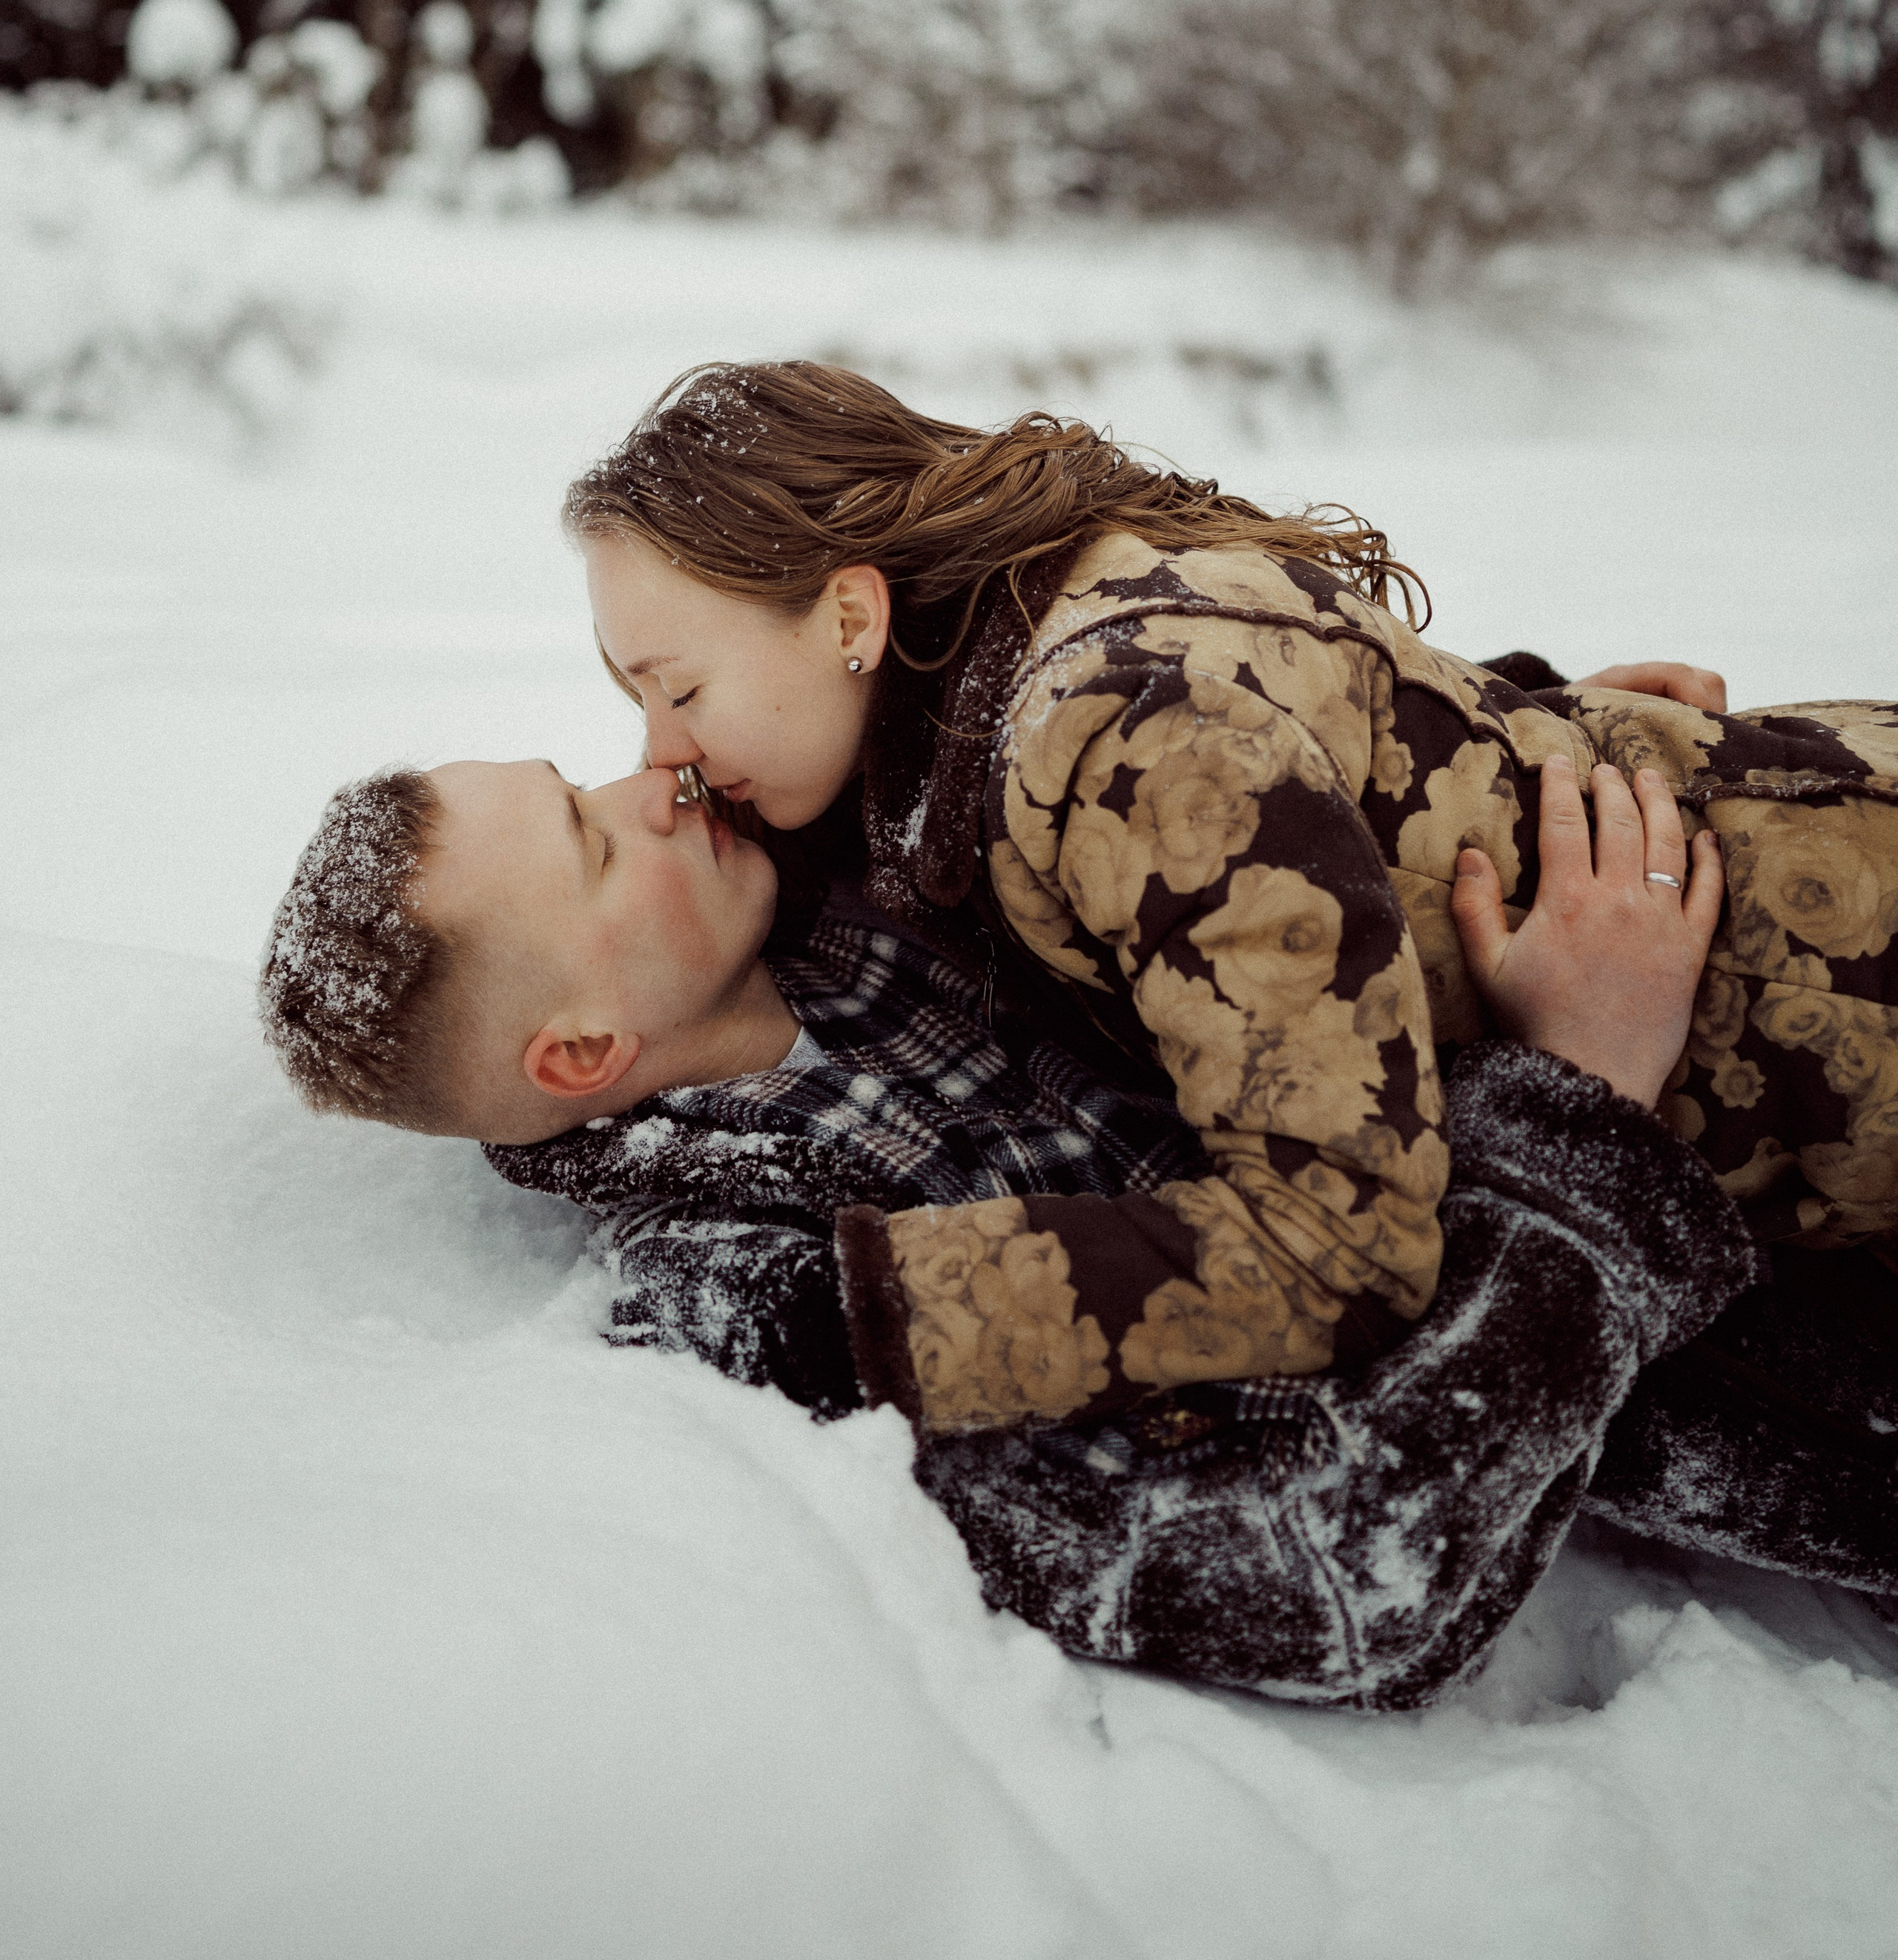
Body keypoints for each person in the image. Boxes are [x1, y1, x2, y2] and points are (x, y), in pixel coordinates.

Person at [257, 752, 1896, 1706]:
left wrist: (1531, 762)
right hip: (1795, 1358)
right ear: (578, 1056)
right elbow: (1328, 1576)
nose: (651, 779)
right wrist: (1577, 1104)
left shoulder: (881, 851)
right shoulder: (779, 1322)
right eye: (593, 839)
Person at [563, 361, 1898, 1440]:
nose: (656, 756)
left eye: (676, 688)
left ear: (851, 616)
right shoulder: (1055, 620)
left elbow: (1338, 1240)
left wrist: (869, 1317)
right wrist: (1507, 725)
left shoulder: (1111, 736)